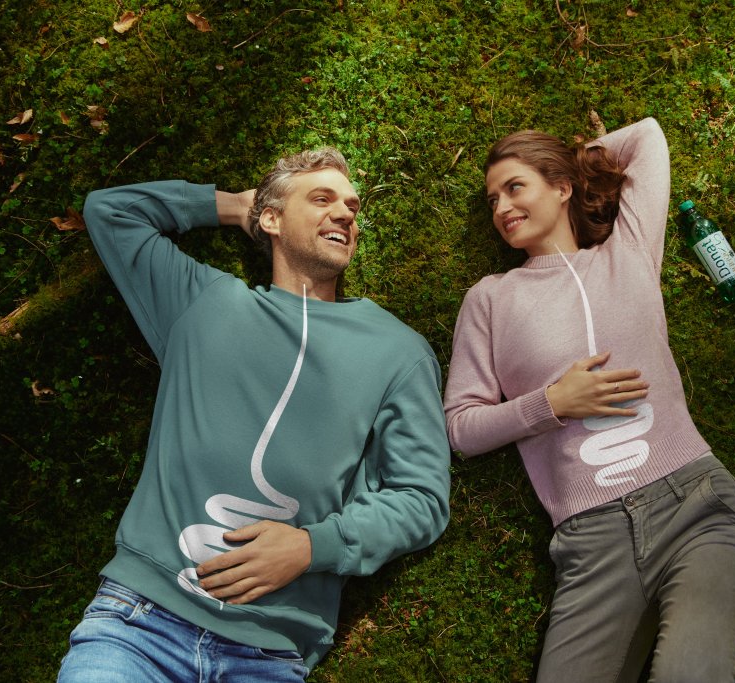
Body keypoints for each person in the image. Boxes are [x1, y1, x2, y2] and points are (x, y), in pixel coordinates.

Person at [58, 148, 451, 681]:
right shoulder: (202, 302)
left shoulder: (399, 352)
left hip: (268, 652)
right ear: (271, 219)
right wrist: (232, 206)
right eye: (322, 198)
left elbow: (423, 501)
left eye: (352, 207)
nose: (345, 213)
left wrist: (314, 546)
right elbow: (110, 212)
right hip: (138, 625)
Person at [444, 118, 735, 682]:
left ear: (561, 188)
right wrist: (552, 403)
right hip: (592, 541)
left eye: (515, 187)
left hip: (697, 507)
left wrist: (578, 159)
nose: (500, 208)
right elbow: (463, 428)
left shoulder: (630, 252)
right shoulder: (489, 299)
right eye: (493, 199)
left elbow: (646, 138)